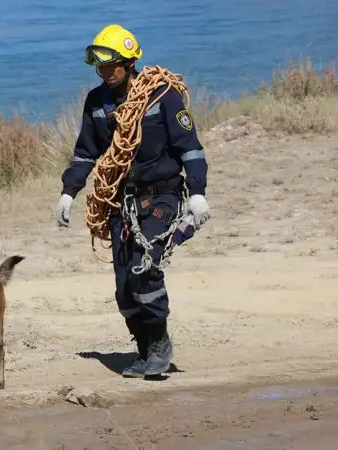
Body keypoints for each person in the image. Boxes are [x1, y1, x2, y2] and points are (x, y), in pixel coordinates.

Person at [55, 24, 211, 378]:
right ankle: (143, 349)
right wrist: (68, 191)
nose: (106, 73)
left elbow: (190, 148)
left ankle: (159, 343)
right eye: (101, 68)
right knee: (125, 286)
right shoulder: (97, 103)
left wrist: (198, 193)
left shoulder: (161, 95)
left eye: (112, 67)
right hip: (121, 204)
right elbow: (85, 153)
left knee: (145, 269)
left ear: (129, 62)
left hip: (163, 197)